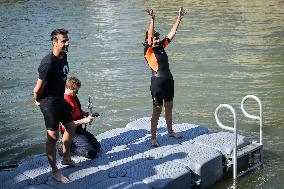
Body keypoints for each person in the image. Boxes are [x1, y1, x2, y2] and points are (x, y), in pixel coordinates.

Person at [33, 29, 91, 183]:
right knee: (53, 137)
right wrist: (37, 99)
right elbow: (37, 89)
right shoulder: (48, 63)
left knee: (71, 127)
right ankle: (55, 171)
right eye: (64, 41)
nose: (67, 43)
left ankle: (66, 158)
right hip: (49, 103)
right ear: (55, 43)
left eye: (67, 40)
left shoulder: (63, 56)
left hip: (60, 99)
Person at [144, 7, 186, 147]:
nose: (156, 40)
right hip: (157, 84)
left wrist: (179, 18)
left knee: (169, 107)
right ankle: (153, 138)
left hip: (169, 82)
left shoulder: (162, 47)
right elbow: (149, 38)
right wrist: (152, 20)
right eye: (154, 38)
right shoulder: (148, 51)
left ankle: (170, 131)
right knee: (157, 111)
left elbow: (172, 33)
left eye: (157, 38)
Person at [58, 76, 101, 159]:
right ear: (66, 88)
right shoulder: (63, 102)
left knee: (97, 147)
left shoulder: (72, 96)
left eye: (77, 90)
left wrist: (88, 114)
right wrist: (84, 120)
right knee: (91, 153)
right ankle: (64, 147)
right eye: (75, 91)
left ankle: (70, 144)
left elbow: (76, 109)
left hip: (79, 130)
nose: (77, 93)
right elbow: (64, 125)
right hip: (71, 133)